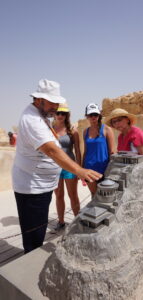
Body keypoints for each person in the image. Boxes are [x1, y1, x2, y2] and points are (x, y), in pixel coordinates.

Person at [12, 79, 102, 254]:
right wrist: (80, 170)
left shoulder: (41, 116)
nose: (56, 108)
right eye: (54, 103)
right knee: (34, 236)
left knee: (38, 229)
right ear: (40, 100)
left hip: (40, 186)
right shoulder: (32, 120)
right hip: (32, 189)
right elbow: (52, 150)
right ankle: (30, 264)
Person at [52, 103, 81, 231]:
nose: (60, 115)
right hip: (54, 167)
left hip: (69, 166)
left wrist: (79, 169)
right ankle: (61, 222)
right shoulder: (50, 129)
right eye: (58, 113)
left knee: (73, 195)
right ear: (54, 114)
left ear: (67, 115)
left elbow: (78, 151)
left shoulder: (72, 131)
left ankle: (77, 222)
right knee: (58, 195)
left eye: (63, 113)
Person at [83, 103, 115, 196]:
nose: (93, 117)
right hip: (89, 169)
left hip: (103, 169)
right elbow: (85, 151)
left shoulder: (107, 129)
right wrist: (82, 168)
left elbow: (112, 151)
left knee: (103, 196)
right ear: (87, 116)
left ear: (99, 115)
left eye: (95, 114)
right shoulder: (85, 131)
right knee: (93, 194)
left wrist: (111, 170)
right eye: (91, 115)